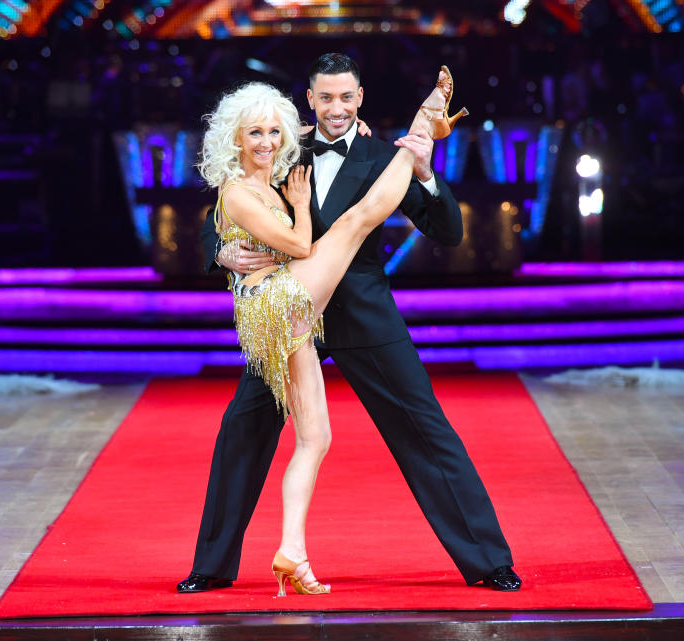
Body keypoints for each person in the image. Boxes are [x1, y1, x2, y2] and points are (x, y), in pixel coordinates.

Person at [180, 53, 520, 594]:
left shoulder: (388, 158)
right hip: (289, 322)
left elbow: (447, 230)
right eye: (325, 97)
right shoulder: (282, 149)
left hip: (364, 316)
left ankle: (489, 561)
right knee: (240, 434)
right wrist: (221, 252)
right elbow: (222, 207)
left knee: (425, 431)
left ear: (359, 99)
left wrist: (426, 171)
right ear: (309, 100)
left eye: (346, 97)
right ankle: (211, 567)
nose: (336, 107)